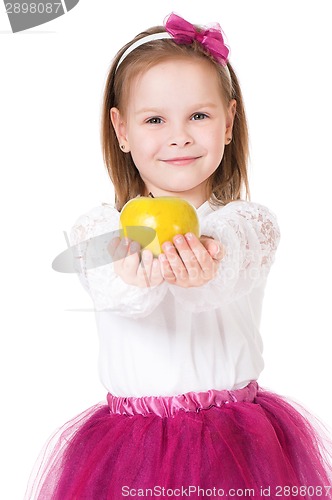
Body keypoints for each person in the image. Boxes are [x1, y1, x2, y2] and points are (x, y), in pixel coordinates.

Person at [26, 12, 332, 499]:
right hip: (130, 448)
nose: (179, 136)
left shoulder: (246, 223)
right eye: (154, 119)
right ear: (121, 130)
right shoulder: (101, 228)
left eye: (199, 115)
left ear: (228, 123)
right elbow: (114, 289)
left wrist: (208, 266)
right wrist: (134, 276)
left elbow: (231, 258)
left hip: (237, 443)